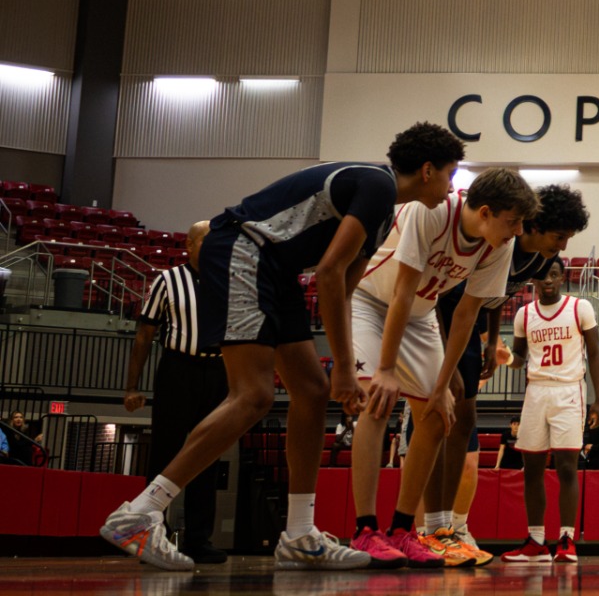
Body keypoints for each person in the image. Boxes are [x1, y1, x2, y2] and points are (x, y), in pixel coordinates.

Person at [102, 123, 465, 572]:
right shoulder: (376, 184)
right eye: (451, 174)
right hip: (245, 249)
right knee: (252, 396)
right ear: (427, 170)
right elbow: (330, 274)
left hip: (277, 267)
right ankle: (141, 512)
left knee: (312, 392)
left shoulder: (384, 212)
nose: (452, 187)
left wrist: (345, 366)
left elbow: (345, 289)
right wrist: (348, 370)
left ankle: (298, 534)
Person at [348, 167, 538, 568]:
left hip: (420, 313)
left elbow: (467, 313)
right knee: (377, 402)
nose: (519, 231)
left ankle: (403, 529)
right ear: (485, 212)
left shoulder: (496, 245)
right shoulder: (431, 211)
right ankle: (366, 529)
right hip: (372, 302)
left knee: (437, 413)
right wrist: (385, 368)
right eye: (514, 221)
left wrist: (443, 383)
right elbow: (401, 290)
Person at [419, 183, 587, 564]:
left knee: (465, 419)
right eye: (558, 236)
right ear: (534, 225)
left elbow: (497, 297)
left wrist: (493, 340)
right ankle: (430, 526)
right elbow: (451, 299)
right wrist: (447, 361)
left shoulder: (540, 260)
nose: (562, 247)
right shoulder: (500, 245)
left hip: (472, 320)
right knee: (444, 413)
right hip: (438, 315)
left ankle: (449, 526)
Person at [122, 222, 228, 564]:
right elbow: (144, 334)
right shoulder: (167, 280)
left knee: (208, 454)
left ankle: (199, 539)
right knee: (165, 452)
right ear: (190, 245)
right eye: (207, 242)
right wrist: (132, 386)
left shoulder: (227, 280)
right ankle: (152, 534)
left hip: (219, 370)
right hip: (177, 369)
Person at [498, 260, 599, 564]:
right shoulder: (524, 314)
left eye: (554, 275)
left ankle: (567, 539)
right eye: (543, 275)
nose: (548, 280)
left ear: (562, 279)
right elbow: (519, 358)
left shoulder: (579, 308)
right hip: (536, 390)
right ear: (534, 280)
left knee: (567, 466)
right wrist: (506, 358)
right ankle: (535, 541)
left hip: (569, 390)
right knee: (531, 468)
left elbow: (595, 354)